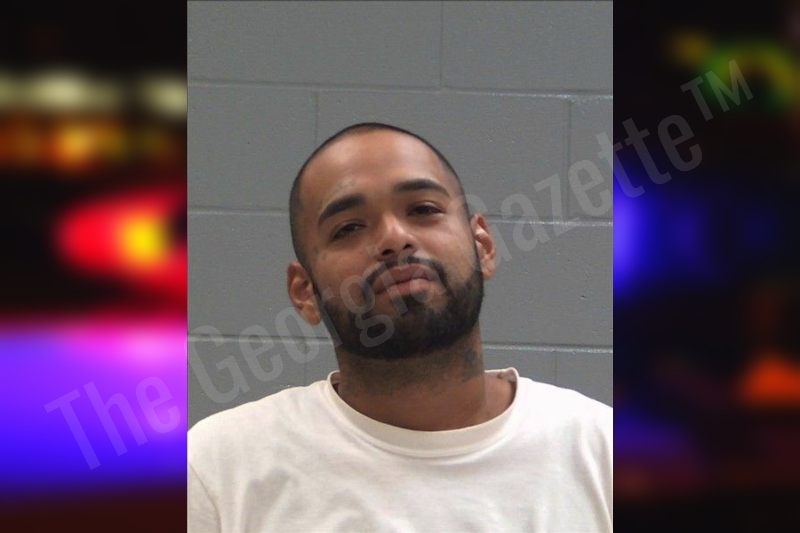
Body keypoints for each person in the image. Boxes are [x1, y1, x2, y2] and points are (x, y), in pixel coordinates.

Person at [188, 123, 613, 532]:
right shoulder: (217, 469)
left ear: (482, 246)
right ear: (304, 292)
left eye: (423, 210)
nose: (394, 238)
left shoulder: (604, 451)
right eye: (348, 228)